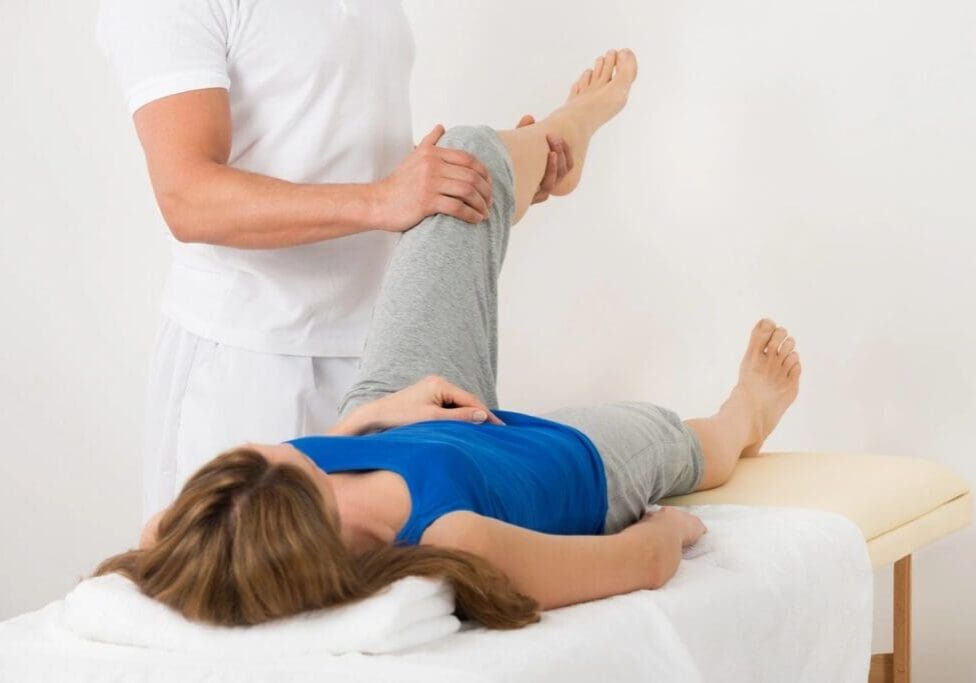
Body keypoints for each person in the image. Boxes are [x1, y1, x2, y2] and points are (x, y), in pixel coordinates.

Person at [95, 49, 802, 629]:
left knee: (459, 165)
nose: (287, 447)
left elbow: (163, 532)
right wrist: (668, 533)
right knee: (681, 441)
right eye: (295, 461)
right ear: (318, 527)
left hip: (401, 408)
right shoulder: (454, 538)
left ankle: (562, 136)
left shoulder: (247, 514)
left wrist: (371, 418)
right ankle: (749, 414)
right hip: (559, 461)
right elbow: (645, 559)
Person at [95, 0, 573, 523]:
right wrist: (382, 199)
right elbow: (188, 197)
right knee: (242, 594)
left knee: (406, 581)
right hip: (253, 364)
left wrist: (466, 184)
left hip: (384, 353)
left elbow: (345, 150)